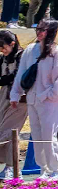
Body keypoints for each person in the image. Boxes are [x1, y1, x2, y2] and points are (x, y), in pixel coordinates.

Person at [12, 19, 58, 180]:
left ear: (51, 32)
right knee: (37, 136)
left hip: (50, 101)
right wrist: (15, 94)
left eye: (43, 30)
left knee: (48, 136)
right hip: (32, 99)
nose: (39, 33)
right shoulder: (30, 50)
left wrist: (50, 94)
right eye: (38, 29)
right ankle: (44, 169)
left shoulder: (57, 51)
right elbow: (21, 73)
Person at [0, 31, 25, 177]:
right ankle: (9, 167)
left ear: (12, 44)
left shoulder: (22, 56)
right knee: (3, 130)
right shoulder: (3, 58)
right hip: (4, 97)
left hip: (19, 99)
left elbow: (17, 76)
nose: (2, 51)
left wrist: (2, 80)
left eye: (3, 47)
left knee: (9, 132)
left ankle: (12, 168)